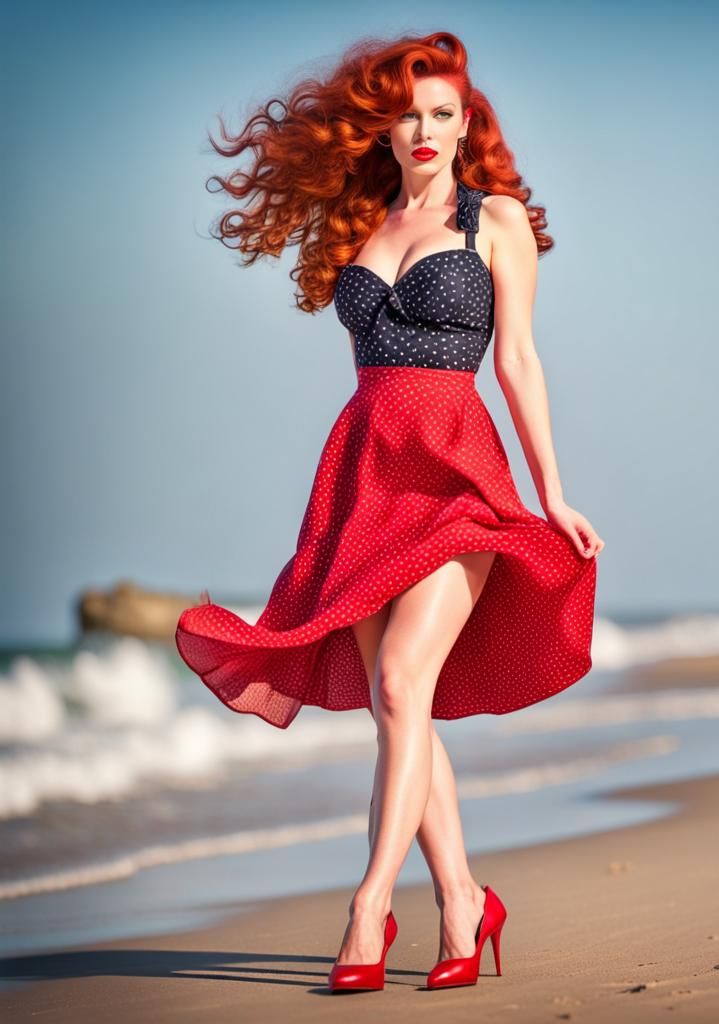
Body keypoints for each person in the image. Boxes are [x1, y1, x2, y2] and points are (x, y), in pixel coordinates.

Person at [175, 30, 604, 993]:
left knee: (406, 685)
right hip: (365, 474)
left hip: (457, 473)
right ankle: (464, 902)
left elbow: (519, 361)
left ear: (466, 128)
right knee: (395, 705)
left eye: (443, 114)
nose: (425, 129)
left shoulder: (491, 222)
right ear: (386, 123)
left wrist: (552, 495)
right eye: (409, 112)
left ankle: (369, 907)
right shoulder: (360, 222)